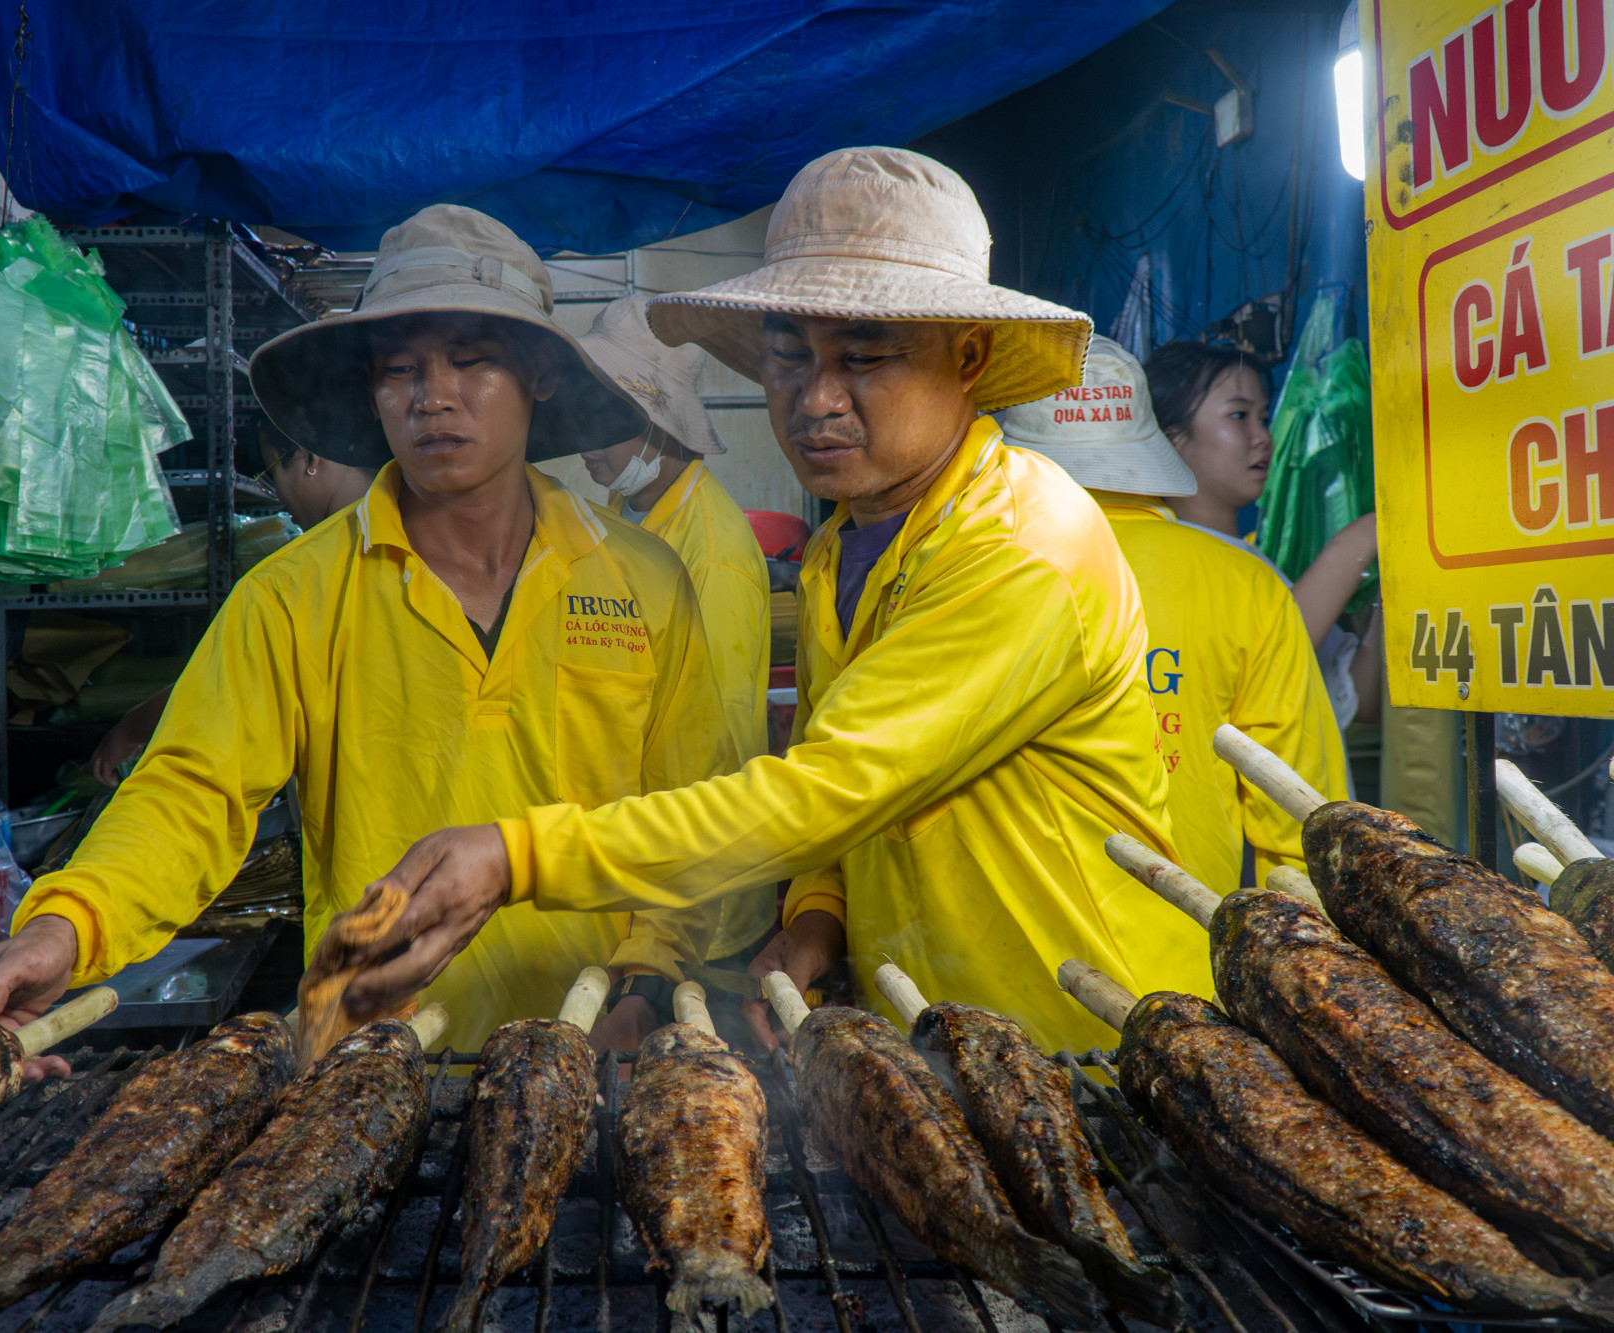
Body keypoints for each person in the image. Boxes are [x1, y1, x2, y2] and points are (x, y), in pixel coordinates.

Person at [336, 148, 1213, 1055]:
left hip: (1093, 1047)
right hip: (936, 1052)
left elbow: (823, 791)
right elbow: (853, 794)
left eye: (865, 358)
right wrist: (821, 915)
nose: (816, 400)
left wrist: (518, 856)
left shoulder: (1025, 543)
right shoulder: (841, 550)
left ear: (970, 355)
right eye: (790, 356)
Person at [0, 204, 734, 1055]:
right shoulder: (294, 595)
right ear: (370, 390)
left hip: (594, 1050)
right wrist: (67, 924)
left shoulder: (646, 583)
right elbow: (188, 795)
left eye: (471, 361)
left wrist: (650, 981)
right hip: (366, 1067)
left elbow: (695, 817)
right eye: (400, 370)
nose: (434, 397)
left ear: (541, 374)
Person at [997, 335, 1348, 894]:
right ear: (1155, 442)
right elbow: (1297, 816)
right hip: (1185, 946)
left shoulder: (962, 574)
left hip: (987, 954)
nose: (1264, 435)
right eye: (1239, 414)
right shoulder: (1245, 585)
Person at [576, 295, 775, 960]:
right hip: (642, 865)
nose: (585, 441)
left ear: (660, 423)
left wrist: (673, 923)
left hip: (700, 910)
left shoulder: (710, 554)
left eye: (607, 419)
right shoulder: (630, 509)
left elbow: (713, 754)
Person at [87, 431, 374, 787]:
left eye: (271, 476)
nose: (280, 498)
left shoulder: (316, 566)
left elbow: (234, 677)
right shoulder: (405, 530)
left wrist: (132, 727)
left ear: (309, 458)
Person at [1143, 341, 1383, 730]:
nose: (1263, 437)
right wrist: (1359, 541)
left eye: (1264, 416)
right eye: (1239, 416)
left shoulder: (1255, 563)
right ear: (1173, 438)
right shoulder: (1168, 565)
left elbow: (1359, 699)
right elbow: (1273, 656)